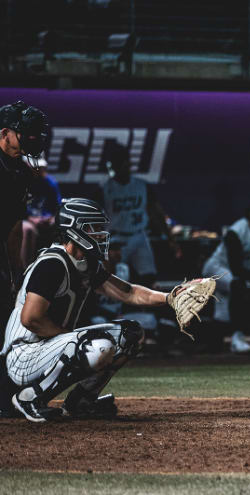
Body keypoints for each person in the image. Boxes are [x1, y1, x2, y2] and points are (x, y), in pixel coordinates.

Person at [2, 198, 175, 422]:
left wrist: (171, 297)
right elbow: (31, 319)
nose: (101, 234)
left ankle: (80, 401)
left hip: (46, 349)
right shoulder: (52, 264)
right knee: (97, 346)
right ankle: (29, 398)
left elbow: (129, 292)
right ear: (74, 230)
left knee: (131, 335)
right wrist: (72, 339)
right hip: (22, 355)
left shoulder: (85, 263)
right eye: (93, 228)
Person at [0, 100, 49, 418]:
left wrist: (16, 269)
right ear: (5, 133)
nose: (31, 140)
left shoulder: (19, 171)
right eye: (25, 135)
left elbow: (14, 226)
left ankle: (6, 399)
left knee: (5, 319)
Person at [203, 192, 250, 353]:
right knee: (238, 285)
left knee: (222, 314)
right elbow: (237, 267)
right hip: (216, 269)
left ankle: (212, 346)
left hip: (231, 273)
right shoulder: (237, 231)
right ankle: (237, 338)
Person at [101, 144, 178, 288]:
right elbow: (95, 221)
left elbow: (156, 213)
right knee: (114, 281)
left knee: (149, 279)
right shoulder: (104, 189)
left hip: (139, 236)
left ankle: (146, 310)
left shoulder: (141, 186)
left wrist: (170, 238)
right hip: (116, 239)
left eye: (122, 163)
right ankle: (114, 310)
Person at [21, 155, 61, 268]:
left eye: (40, 167)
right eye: (35, 167)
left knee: (61, 228)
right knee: (27, 229)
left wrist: (52, 219)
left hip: (46, 221)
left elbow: (57, 208)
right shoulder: (20, 182)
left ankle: (55, 268)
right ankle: (24, 270)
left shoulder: (50, 183)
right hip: (27, 220)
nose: (38, 170)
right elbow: (16, 207)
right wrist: (31, 219)